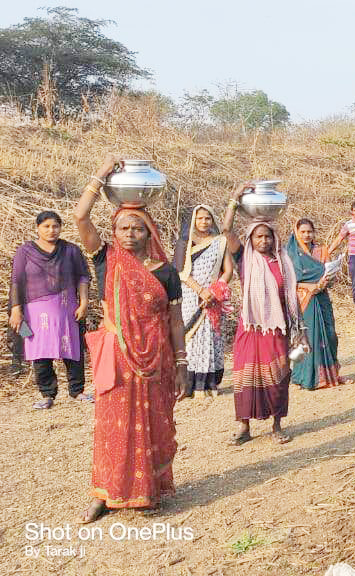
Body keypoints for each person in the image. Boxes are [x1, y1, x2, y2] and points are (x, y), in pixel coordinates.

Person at [73, 157, 183, 524]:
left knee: (150, 422)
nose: (130, 235)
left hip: (157, 360)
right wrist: (100, 176)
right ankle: (104, 493)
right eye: (123, 228)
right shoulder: (105, 259)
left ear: (149, 232)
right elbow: (80, 218)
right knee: (111, 425)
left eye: (137, 228)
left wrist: (181, 364)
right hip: (117, 356)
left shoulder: (166, 273)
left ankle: (146, 490)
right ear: (115, 232)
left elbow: (175, 320)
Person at [222, 187, 300, 445]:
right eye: (258, 237)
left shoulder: (283, 261)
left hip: (277, 328)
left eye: (267, 236)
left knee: (278, 376)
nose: (263, 241)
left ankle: (277, 425)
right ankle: (244, 427)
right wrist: (234, 200)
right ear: (251, 240)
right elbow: (226, 230)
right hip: (250, 327)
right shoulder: (244, 260)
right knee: (245, 376)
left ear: (274, 238)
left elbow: (289, 297)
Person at [11, 211, 92, 409]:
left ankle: (77, 391)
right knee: (39, 351)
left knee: (72, 349)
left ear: (61, 227)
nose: (51, 230)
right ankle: (47, 395)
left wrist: (84, 302)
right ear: (37, 228)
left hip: (67, 308)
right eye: (46, 226)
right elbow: (17, 281)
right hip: (33, 312)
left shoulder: (71, 250)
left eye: (55, 226)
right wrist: (15, 309)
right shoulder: (25, 251)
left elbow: (83, 277)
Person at [174, 205, 233, 399]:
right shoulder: (185, 242)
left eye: (207, 218)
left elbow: (228, 270)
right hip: (191, 295)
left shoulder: (220, 242)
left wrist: (215, 290)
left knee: (209, 336)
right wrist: (200, 291)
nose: (204, 222)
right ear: (193, 220)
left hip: (213, 296)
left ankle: (208, 384)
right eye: (199, 218)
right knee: (191, 337)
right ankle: (188, 384)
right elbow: (181, 272)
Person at [287, 218, 346, 390]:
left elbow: (329, 275)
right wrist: (310, 286)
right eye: (303, 231)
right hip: (303, 300)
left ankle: (330, 375)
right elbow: (287, 281)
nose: (306, 235)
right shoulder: (290, 254)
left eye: (309, 232)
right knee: (306, 337)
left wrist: (324, 282)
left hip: (322, 298)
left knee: (330, 335)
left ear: (314, 233)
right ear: (296, 232)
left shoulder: (322, 251)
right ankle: (302, 377)